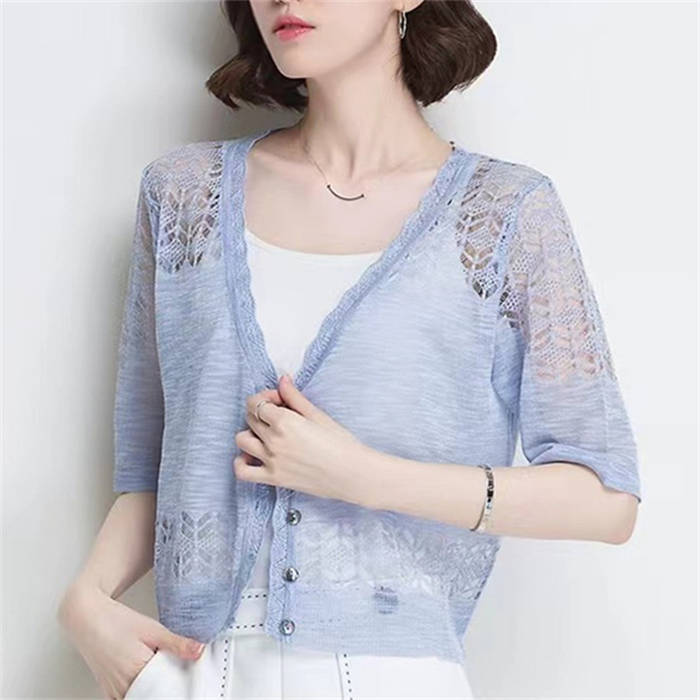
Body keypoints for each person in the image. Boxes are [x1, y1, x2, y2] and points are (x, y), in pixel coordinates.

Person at [57, 0, 642, 698]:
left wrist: (365, 476)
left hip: (390, 673)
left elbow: (604, 498)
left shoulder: (505, 214)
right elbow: (151, 466)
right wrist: (86, 600)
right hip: (195, 667)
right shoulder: (183, 196)